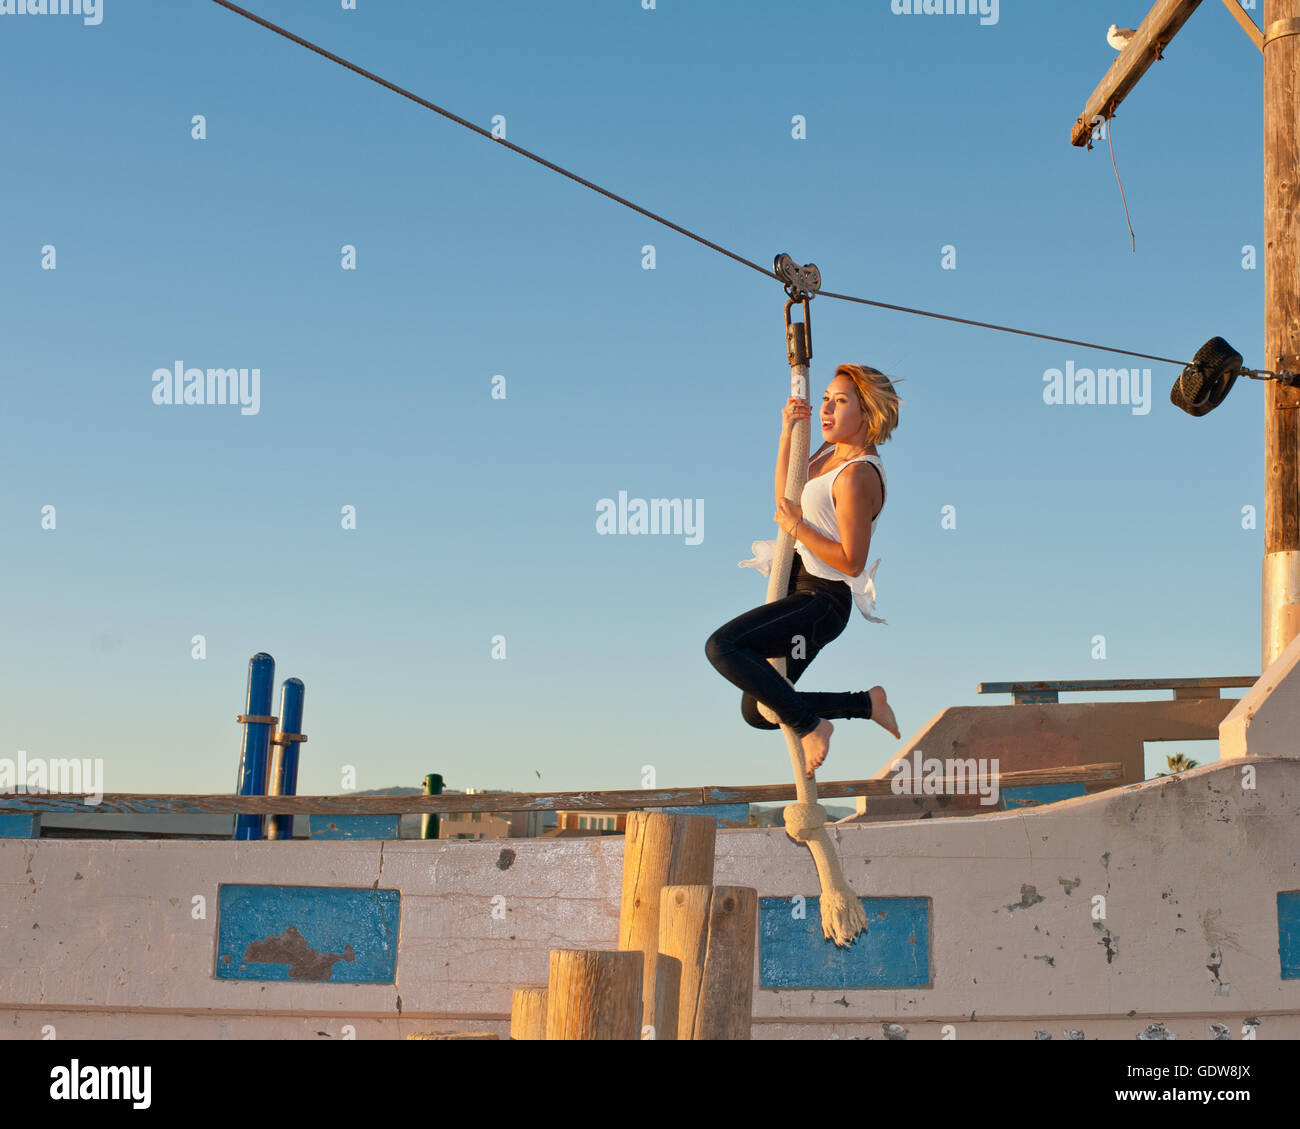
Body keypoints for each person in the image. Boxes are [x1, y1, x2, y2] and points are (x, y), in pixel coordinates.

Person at [704, 364, 902, 779]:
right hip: (800, 592)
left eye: (840, 401)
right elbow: (786, 500)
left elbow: (851, 560)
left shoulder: (858, 475)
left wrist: (799, 528)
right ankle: (866, 704)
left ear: (867, 414)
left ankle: (813, 725)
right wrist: (786, 434)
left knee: (722, 647)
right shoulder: (832, 453)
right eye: (827, 398)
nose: (827, 408)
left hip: (821, 602)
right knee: (760, 711)